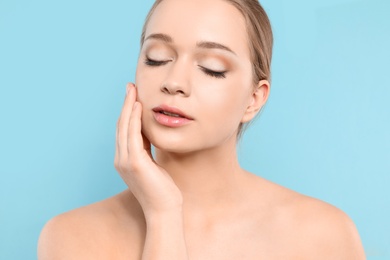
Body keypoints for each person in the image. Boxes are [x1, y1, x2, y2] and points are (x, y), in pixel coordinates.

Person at [38, 0, 366, 259]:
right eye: (157, 58)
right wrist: (163, 214)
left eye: (212, 68)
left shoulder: (323, 236)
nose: (174, 83)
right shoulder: (71, 237)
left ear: (254, 99)